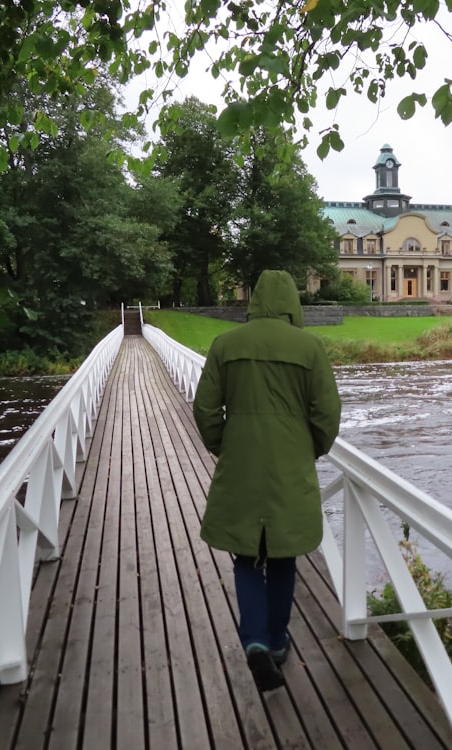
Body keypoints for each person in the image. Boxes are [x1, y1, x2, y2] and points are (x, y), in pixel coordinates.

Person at [193, 270, 342, 692]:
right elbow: (327, 414)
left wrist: (225, 445)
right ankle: (276, 643)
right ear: (292, 302)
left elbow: (205, 410)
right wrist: (308, 448)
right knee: (283, 556)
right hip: (289, 467)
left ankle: (254, 640)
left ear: (254, 300)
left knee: (245, 557)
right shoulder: (309, 348)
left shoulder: (226, 345)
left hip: (240, 465)